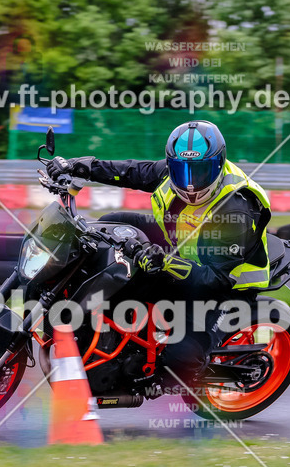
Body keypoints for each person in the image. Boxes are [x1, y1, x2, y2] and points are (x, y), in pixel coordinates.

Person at [44, 120, 273, 392]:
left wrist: (164, 262)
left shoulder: (236, 210)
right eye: (182, 171)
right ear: (171, 164)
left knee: (180, 360)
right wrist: (82, 166)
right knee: (111, 224)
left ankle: (162, 378)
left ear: (218, 165)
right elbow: (129, 171)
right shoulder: (169, 172)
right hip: (183, 245)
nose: (190, 183)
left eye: (200, 171)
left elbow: (214, 279)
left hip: (226, 288)